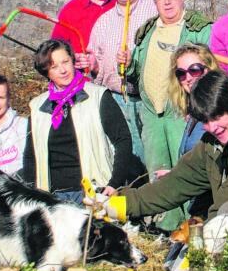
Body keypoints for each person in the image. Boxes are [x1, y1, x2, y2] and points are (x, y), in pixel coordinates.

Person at [98, 70, 228, 223]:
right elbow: (174, 184)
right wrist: (117, 204)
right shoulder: (211, 144)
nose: (213, 127)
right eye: (205, 121)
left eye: (217, 116)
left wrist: (200, 243)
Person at [126, 0, 212, 230]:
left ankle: (192, 227)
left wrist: (195, 104)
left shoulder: (197, 28)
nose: (167, 2)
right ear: (155, 3)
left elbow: (210, 67)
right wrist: (128, 63)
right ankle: (166, 228)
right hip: (152, 112)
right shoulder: (147, 31)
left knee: (184, 169)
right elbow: (136, 69)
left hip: (181, 110)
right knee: (158, 170)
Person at [22, 39, 144, 203]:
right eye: (54, 66)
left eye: (65, 62)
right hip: (51, 197)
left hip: (94, 193)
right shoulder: (37, 107)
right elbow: (31, 156)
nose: (62, 70)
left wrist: (115, 183)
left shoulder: (98, 97)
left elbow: (122, 140)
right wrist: (31, 194)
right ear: (46, 72)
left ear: (73, 61)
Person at [87, 0, 157, 162]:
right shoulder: (103, 21)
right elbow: (96, 63)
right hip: (117, 100)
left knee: (154, 159)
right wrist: (93, 65)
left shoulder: (156, 11)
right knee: (128, 161)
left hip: (150, 100)